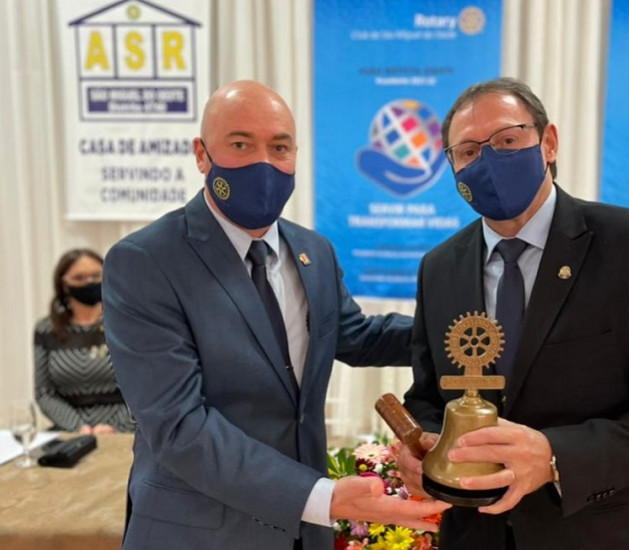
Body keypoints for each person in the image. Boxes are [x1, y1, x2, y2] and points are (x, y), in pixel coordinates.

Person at [102, 80, 449, 550]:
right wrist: (323, 497)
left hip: (302, 534)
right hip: (198, 532)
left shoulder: (313, 251)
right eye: (241, 144)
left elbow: (356, 336)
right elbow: (179, 426)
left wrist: (459, 331)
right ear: (202, 155)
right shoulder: (146, 262)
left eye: (280, 147)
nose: (263, 163)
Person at [399, 77, 629, 549]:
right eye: (468, 152)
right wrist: (423, 448)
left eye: (507, 140)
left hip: (611, 534)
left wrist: (557, 457)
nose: (487, 161)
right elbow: (429, 396)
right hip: (477, 535)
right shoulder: (439, 267)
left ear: (548, 142)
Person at [34, 248, 133, 434]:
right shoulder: (46, 330)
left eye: (96, 275)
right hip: (70, 432)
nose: (89, 282)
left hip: (126, 430)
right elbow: (44, 393)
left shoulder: (129, 324)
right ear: (64, 284)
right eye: (79, 278)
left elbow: (146, 387)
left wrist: (115, 427)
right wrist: (79, 427)